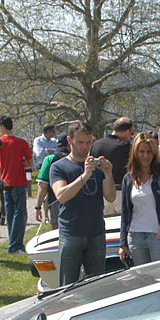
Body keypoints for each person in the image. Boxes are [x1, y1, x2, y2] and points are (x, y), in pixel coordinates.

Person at [51, 121, 115, 286]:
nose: (84, 146)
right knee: (68, 284)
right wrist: (85, 175)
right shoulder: (59, 167)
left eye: (88, 142)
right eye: (80, 142)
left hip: (96, 232)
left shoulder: (97, 167)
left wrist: (108, 174)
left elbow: (111, 197)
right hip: (71, 232)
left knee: (96, 285)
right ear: (69, 140)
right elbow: (61, 196)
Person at [119, 133, 160, 266]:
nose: (145, 155)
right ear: (135, 152)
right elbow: (125, 211)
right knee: (142, 280)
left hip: (157, 235)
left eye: (149, 151)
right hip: (135, 236)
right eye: (141, 151)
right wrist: (123, 243)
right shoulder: (128, 177)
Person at [0, 116, 32, 254]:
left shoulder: (0, 143)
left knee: (9, 212)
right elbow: (30, 162)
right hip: (18, 180)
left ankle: (13, 241)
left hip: (5, 180)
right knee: (20, 213)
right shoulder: (21, 142)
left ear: (2, 127)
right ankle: (16, 244)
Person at [90, 116, 134, 216]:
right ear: (127, 132)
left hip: (101, 192)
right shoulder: (126, 146)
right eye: (131, 133)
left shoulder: (96, 145)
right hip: (120, 192)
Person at [34, 132, 69, 227]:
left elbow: (43, 186)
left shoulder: (49, 159)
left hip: (56, 201)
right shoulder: (77, 158)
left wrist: (38, 207)